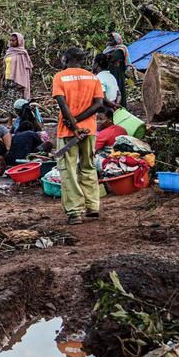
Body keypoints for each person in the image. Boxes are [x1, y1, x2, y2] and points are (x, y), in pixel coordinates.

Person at [52, 47, 112, 225]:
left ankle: (75, 212)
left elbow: (62, 105)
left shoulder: (60, 77)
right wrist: (80, 122)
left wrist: (73, 123)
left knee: (68, 170)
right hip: (90, 129)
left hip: (68, 131)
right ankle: (93, 206)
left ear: (65, 58)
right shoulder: (92, 78)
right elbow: (98, 105)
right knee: (88, 166)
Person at [4, 32, 34, 101]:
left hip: (18, 81)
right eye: (10, 40)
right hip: (8, 79)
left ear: (19, 41)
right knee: (8, 99)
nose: (11, 42)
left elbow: (24, 70)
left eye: (13, 40)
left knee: (16, 101)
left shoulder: (22, 53)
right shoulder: (9, 52)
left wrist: (22, 82)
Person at [104, 32, 130, 107]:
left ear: (116, 39)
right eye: (109, 39)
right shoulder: (107, 50)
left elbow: (114, 57)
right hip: (109, 72)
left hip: (117, 72)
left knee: (118, 88)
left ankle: (121, 106)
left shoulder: (121, 48)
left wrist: (107, 57)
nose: (109, 40)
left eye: (111, 39)